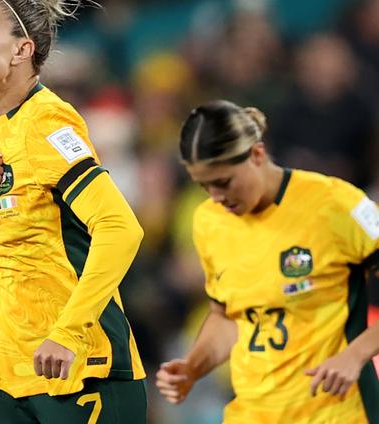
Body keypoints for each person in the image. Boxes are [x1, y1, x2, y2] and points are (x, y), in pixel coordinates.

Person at [0, 0, 146, 423]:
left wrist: (68, 334)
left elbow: (121, 228)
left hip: (74, 367)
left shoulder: (48, 124)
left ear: (20, 50)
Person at [155, 99, 379, 423]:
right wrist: (193, 366)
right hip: (252, 412)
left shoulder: (335, 203)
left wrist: (354, 356)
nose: (215, 196)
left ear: (256, 154)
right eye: (203, 185)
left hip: (333, 411)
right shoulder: (209, 221)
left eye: (223, 181)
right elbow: (227, 318)